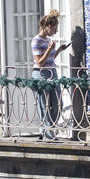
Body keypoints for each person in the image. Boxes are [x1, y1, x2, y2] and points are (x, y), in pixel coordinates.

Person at [31, 10, 70, 140]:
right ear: (48, 27)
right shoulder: (36, 41)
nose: (56, 31)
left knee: (58, 103)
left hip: (52, 73)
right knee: (44, 105)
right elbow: (40, 63)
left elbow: (50, 60)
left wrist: (59, 50)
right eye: (55, 28)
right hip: (40, 74)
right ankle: (48, 135)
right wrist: (49, 49)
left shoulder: (48, 40)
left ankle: (46, 131)